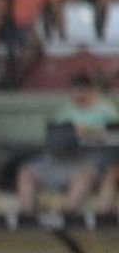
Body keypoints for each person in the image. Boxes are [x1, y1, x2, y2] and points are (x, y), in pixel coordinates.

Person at [17, 73, 118, 214]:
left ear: (92, 90)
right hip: (61, 158)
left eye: (83, 90)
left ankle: (64, 219)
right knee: (26, 172)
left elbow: (114, 139)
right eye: (76, 91)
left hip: (88, 161)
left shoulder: (106, 111)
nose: (79, 95)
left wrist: (85, 134)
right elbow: (54, 137)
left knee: (85, 176)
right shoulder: (66, 110)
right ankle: (28, 220)